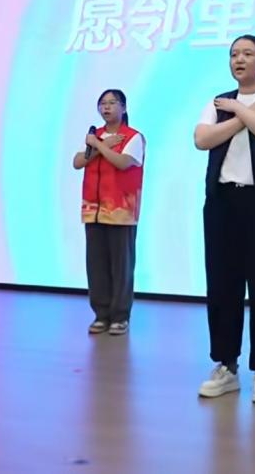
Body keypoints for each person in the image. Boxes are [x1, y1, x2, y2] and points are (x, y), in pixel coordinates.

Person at [193, 34, 255, 403]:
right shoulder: (219, 102)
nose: (239, 59)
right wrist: (241, 112)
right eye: (234, 54)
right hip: (222, 203)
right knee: (222, 286)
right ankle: (226, 365)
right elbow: (202, 139)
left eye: (248, 53)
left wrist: (239, 112)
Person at [72, 89, 145, 336]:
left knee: (121, 266)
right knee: (97, 265)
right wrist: (98, 145)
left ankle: (120, 316)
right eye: (102, 103)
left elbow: (123, 162)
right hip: (93, 210)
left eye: (112, 103)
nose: (106, 107)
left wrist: (99, 146)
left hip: (121, 211)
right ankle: (101, 315)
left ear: (123, 108)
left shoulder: (133, 137)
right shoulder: (96, 136)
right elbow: (77, 162)